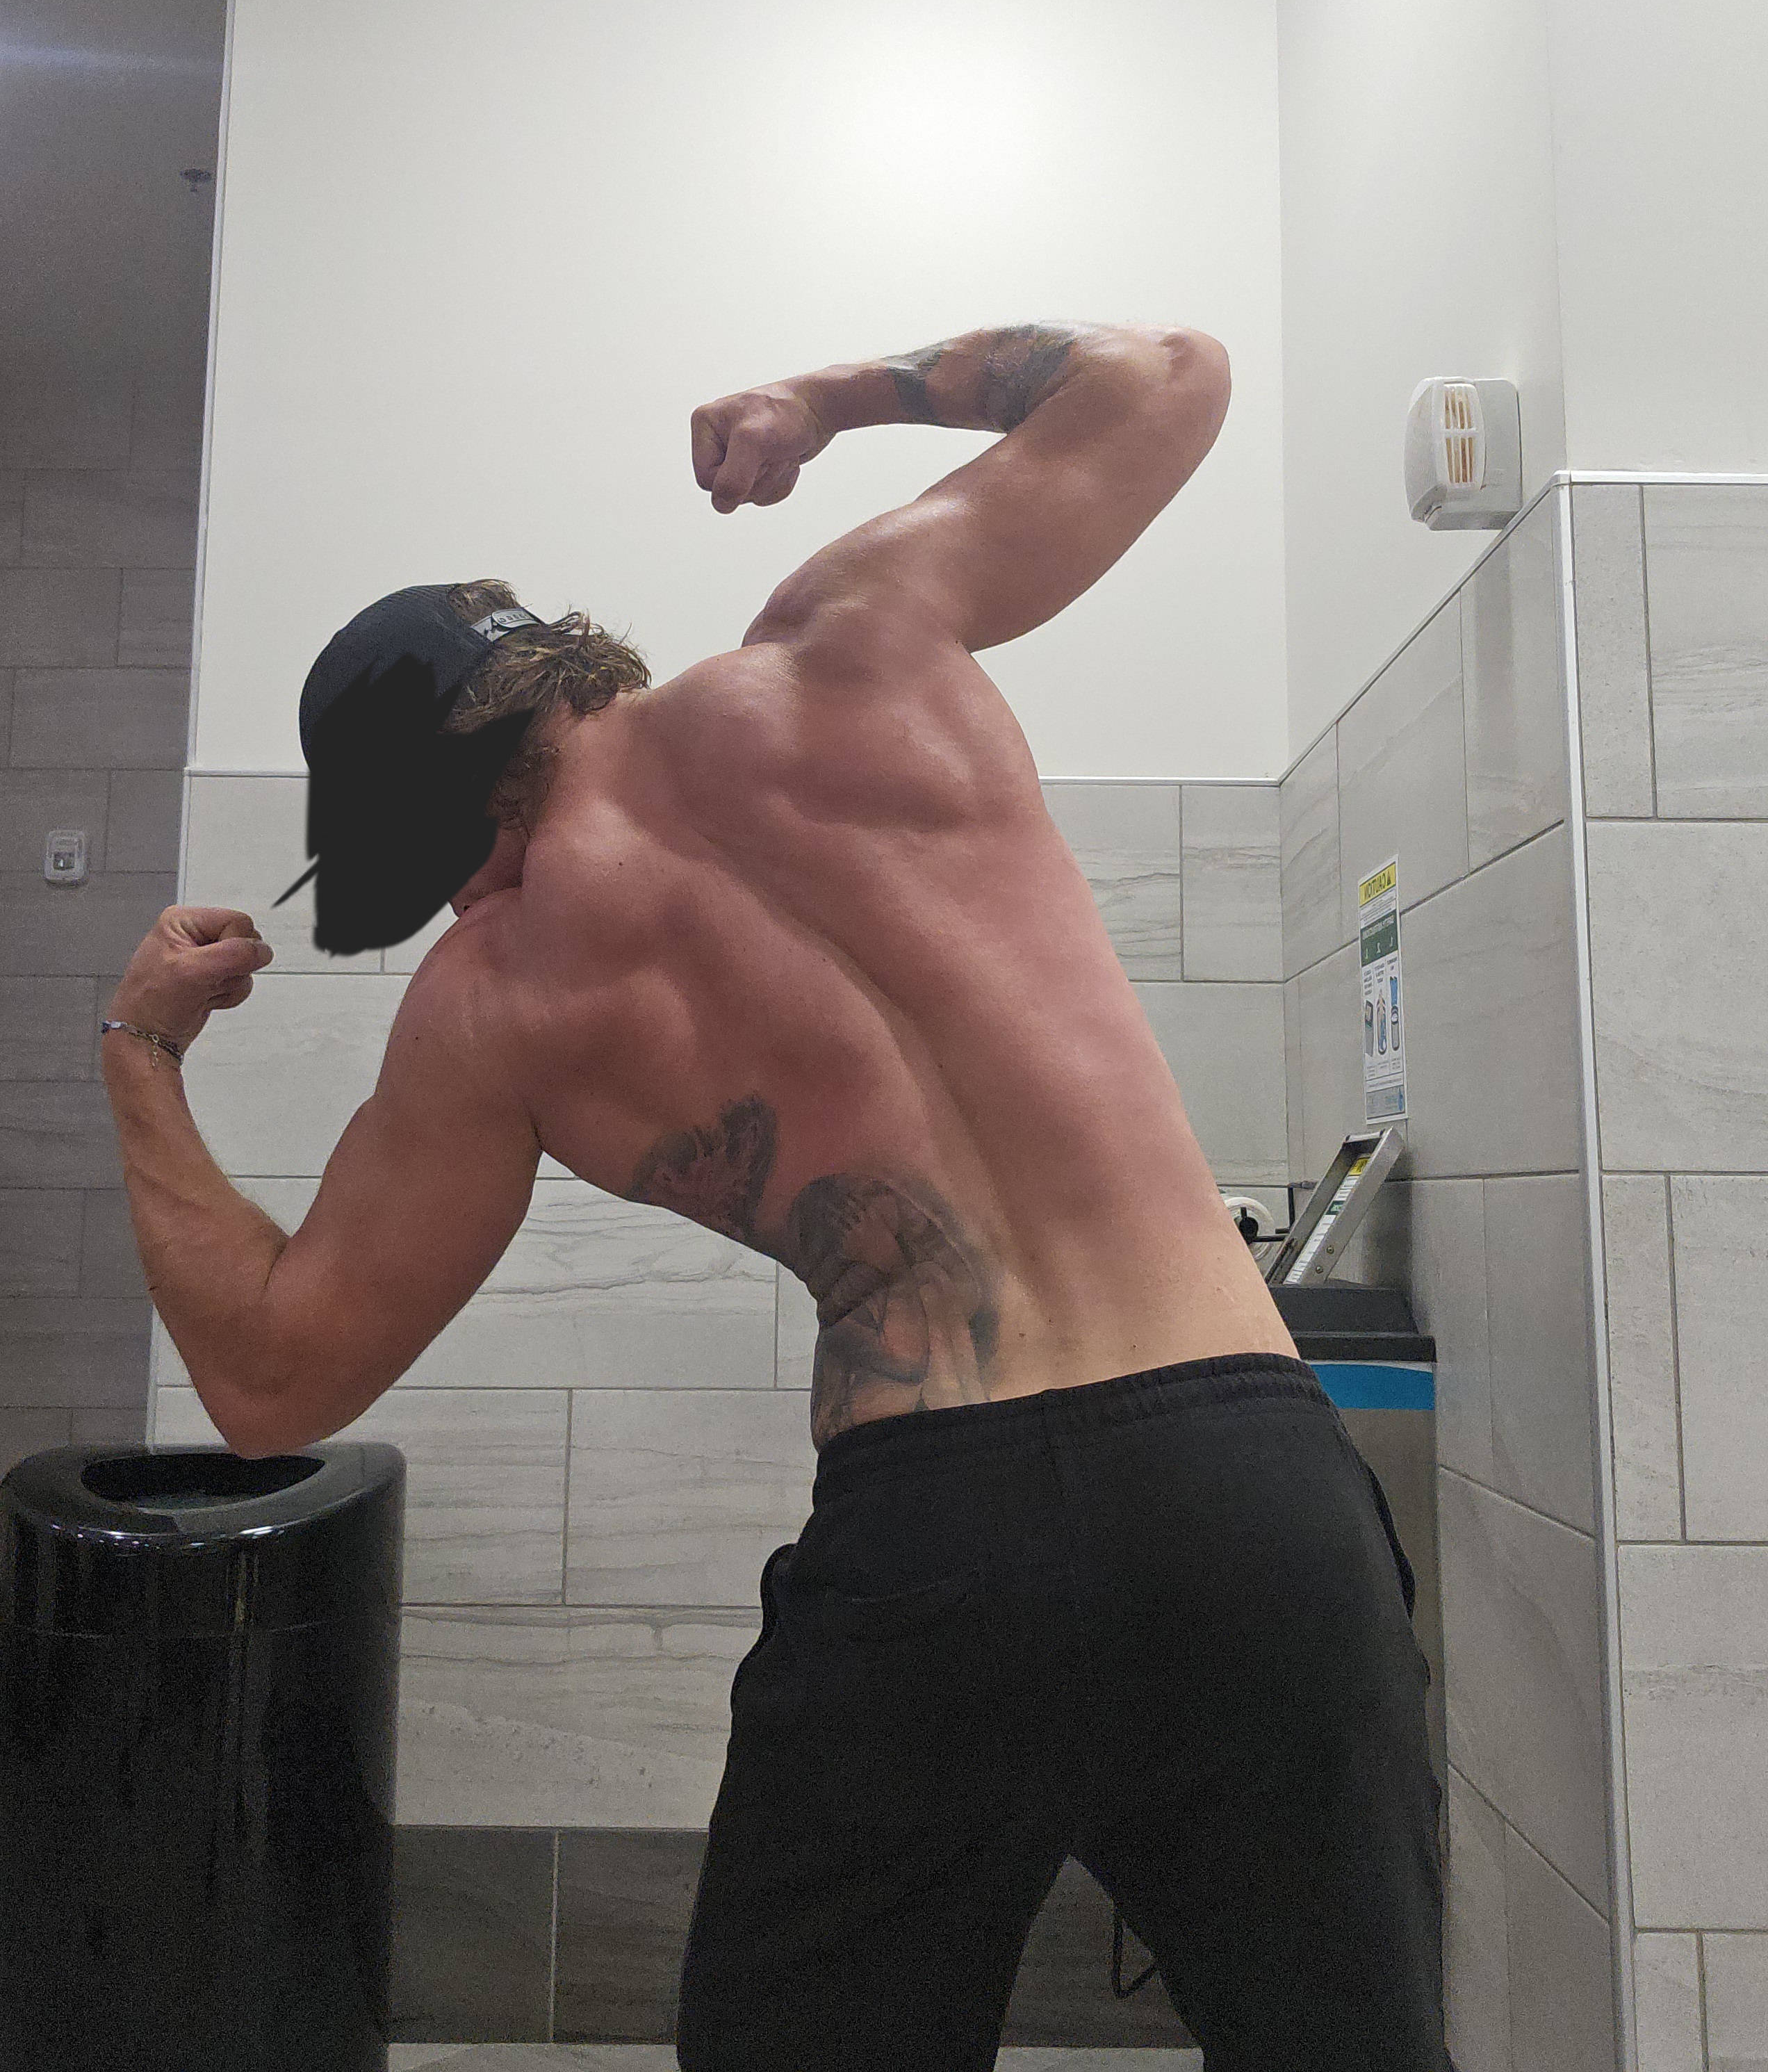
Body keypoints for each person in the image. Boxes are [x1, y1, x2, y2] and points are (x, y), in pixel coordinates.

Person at [100, 319, 1446, 2071]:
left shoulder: (492, 998)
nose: (452, 902)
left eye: (429, 861)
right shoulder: (855, 636)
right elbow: (1171, 374)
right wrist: (833, 400)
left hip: (937, 1532)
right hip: (1246, 1481)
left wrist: (141, 1046)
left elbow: (274, 1377)